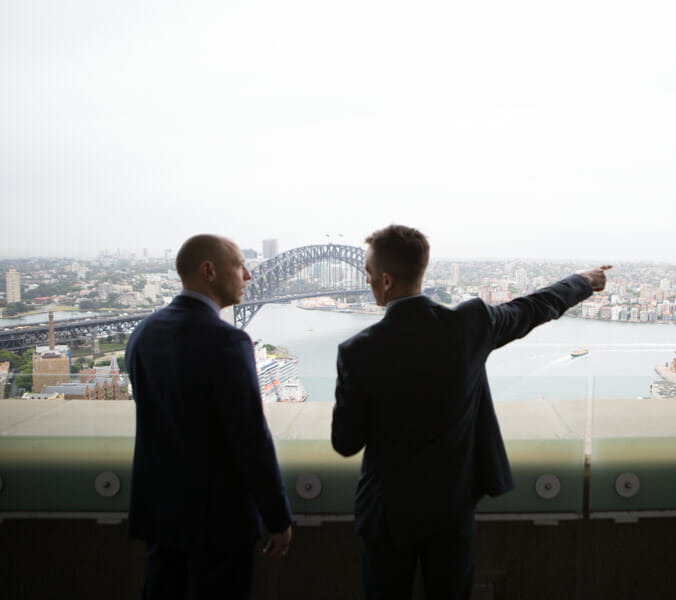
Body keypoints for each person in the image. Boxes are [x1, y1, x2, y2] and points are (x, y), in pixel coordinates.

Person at [331, 224, 610, 599]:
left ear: (385, 280)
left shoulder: (357, 351)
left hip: (386, 513)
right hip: (451, 508)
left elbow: (346, 443)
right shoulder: (470, 325)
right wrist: (583, 281)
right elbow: (532, 308)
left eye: (367, 274)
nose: (366, 281)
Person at [126, 234, 293, 599]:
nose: (249, 275)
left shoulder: (142, 333)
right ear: (209, 271)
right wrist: (278, 517)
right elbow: (251, 439)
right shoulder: (227, 341)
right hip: (218, 523)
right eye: (240, 265)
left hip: (160, 515)